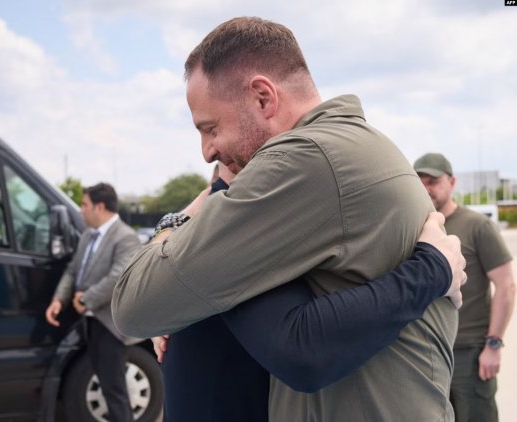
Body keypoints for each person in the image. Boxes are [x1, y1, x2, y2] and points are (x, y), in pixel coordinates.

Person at [113, 17, 458, 420]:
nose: (207, 151)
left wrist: (180, 229)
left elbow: (134, 304)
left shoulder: (305, 159)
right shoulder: (357, 145)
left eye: (210, 128)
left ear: (263, 98)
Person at [156, 164, 466, 421]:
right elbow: (305, 347)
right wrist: (431, 270)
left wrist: (179, 220)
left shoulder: (192, 258)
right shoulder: (234, 252)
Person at [415, 152, 515, 421]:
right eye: (419, 180)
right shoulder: (417, 229)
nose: (426, 188)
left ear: (452, 182)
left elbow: (506, 286)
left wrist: (493, 345)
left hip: (469, 355)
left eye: (433, 181)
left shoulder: (477, 226)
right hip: (427, 356)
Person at [45, 183, 141, 422]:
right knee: (106, 383)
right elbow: (72, 270)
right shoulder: (88, 235)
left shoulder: (126, 236)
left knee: (115, 388)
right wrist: (59, 298)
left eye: (84, 204)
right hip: (91, 323)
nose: (80, 210)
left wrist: (86, 299)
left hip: (111, 325)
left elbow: (119, 276)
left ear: (100, 207)